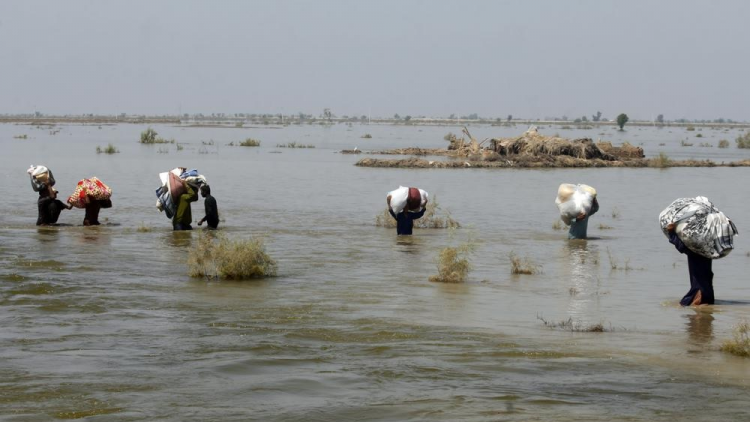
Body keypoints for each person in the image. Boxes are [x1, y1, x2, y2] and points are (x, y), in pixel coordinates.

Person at [667, 223, 714, 306]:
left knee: (687, 306)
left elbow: (681, 247)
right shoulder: (708, 245)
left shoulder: (695, 247)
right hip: (708, 290)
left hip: (699, 290)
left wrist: (671, 233)